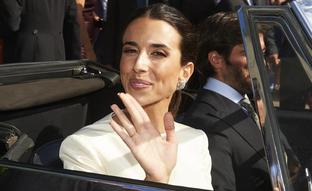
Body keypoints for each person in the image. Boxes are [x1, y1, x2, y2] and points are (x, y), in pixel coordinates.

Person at [59, 3, 213, 190]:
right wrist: (154, 181)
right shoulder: (85, 146)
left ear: (185, 72)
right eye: (130, 50)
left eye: (158, 53)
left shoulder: (195, 140)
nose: (139, 65)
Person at [180, 12, 272, 191]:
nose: (262, 63)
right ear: (216, 59)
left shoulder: (253, 102)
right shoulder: (205, 123)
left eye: (261, 53)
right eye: (249, 53)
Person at [0, 0, 81, 63]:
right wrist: (75, 60)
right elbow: (73, 26)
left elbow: (12, 24)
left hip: (24, 59)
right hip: (57, 56)